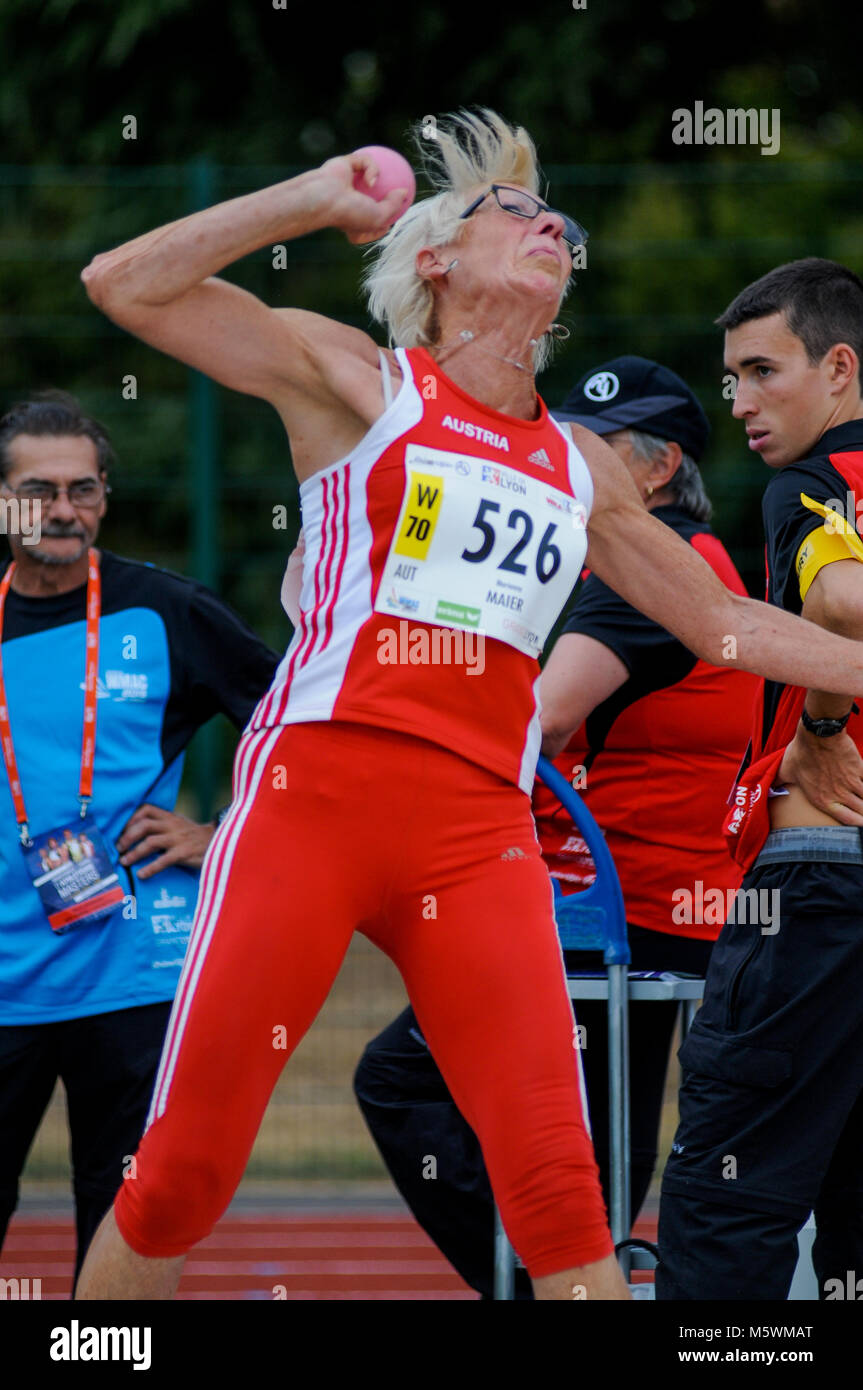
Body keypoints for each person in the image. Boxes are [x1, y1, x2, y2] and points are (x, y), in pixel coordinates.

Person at [74, 110, 863, 1304]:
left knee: (559, 1198)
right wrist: (316, 192)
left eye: (559, 218)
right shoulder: (355, 380)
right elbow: (123, 283)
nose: (551, 225)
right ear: (433, 260)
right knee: (185, 1165)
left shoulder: (578, 465)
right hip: (314, 802)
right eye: (514, 212)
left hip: (479, 834)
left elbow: (723, 628)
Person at [353, 356, 758, 1299]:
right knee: (590, 1157)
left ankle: (543, 1290)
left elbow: (534, 721)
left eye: (589, 447)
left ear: (655, 470)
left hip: (622, 916)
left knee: (403, 1082)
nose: (559, 460)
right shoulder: (685, 561)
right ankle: (569, 1282)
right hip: (655, 905)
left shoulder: (652, 569)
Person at [0, 392, 279, 1288]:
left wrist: (222, 831)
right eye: (37, 489)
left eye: (84, 489)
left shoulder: (164, 610)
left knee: (120, 1215)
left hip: (131, 974)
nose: (62, 510)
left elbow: (299, 725)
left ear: (105, 500)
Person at [657, 257, 863, 1301]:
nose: (734, 402)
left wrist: (820, 716)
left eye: (756, 371)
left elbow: (831, 605)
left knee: (721, 1203)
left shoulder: (813, 479)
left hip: (818, 872)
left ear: (836, 367)